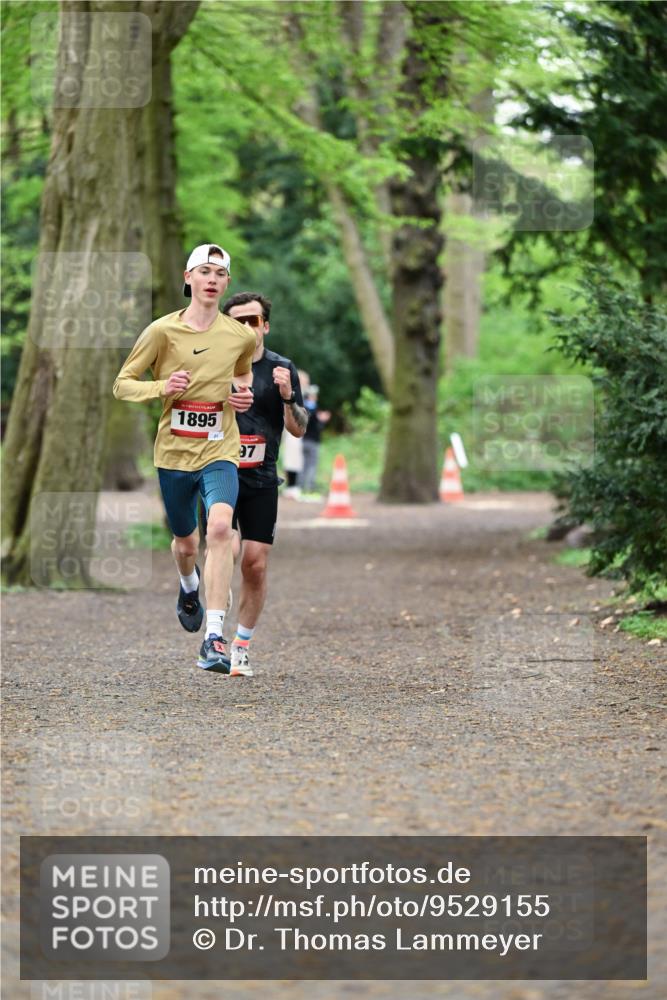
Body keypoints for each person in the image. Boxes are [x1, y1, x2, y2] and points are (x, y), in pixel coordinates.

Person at [113, 244, 255, 674]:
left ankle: (213, 638)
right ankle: (188, 585)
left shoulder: (240, 335)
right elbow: (123, 385)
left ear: (227, 283)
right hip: (174, 452)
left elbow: (244, 374)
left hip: (220, 448)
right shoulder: (161, 332)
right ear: (188, 278)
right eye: (204, 271)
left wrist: (242, 393)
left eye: (219, 274)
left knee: (219, 528)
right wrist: (162, 388)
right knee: (186, 543)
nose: (212, 279)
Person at [221, 291, 307, 677]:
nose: (245, 328)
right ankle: (212, 626)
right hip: (219, 473)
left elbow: (299, 429)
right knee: (227, 546)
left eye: (252, 321)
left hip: (262, 478)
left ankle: (241, 644)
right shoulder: (215, 365)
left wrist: (287, 397)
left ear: (264, 326)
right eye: (236, 321)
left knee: (255, 565)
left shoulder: (281, 368)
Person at [300, 384, 331, 495]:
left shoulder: (303, 407)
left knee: (303, 464)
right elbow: (317, 427)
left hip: (303, 440)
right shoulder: (313, 408)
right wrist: (322, 420)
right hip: (313, 441)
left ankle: (301, 486)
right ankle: (310, 487)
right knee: (312, 465)